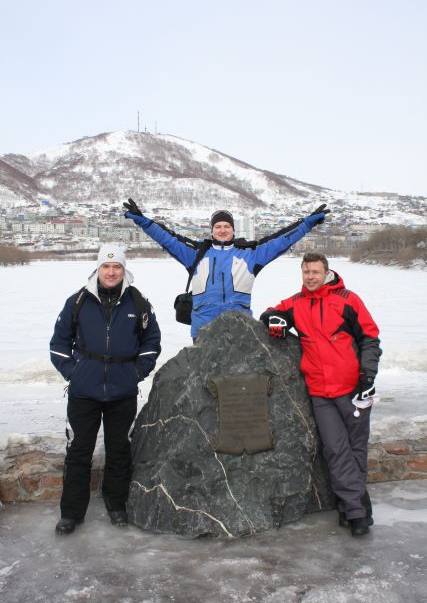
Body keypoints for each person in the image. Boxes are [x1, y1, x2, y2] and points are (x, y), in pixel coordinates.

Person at [260, 252, 382, 537]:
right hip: (320, 393)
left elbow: (370, 338)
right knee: (336, 451)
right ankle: (356, 512)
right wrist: (274, 322)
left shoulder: (348, 299)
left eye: (316, 271)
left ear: (326, 272)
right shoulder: (296, 303)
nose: (311, 277)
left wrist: (367, 377)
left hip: (352, 389)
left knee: (356, 449)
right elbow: (269, 313)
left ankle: (350, 506)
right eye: (306, 272)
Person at [50, 244, 161, 535]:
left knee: (119, 450)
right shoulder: (77, 302)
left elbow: (152, 342)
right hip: (83, 392)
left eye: (117, 267)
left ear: (124, 270)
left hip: (122, 392)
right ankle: (71, 513)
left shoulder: (138, 303)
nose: (111, 272)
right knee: (77, 451)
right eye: (106, 267)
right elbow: (58, 345)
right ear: (98, 269)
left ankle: (116, 505)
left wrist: (136, 372)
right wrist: (74, 373)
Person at [123, 199, 330, 339]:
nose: (222, 230)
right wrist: (144, 222)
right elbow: (167, 238)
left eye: (226, 226)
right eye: (218, 226)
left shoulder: (250, 253)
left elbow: (281, 239)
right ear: (212, 230)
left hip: (240, 330)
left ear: (233, 230)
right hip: (203, 331)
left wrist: (306, 224)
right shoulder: (196, 253)